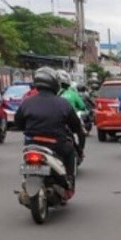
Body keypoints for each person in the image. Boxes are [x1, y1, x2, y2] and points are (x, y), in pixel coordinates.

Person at [15, 67, 86, 197]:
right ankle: (69, 182)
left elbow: (18, 124)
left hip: (32, 143)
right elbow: (76, 127)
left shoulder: (26, 102)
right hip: (56, 144)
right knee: (71, 151)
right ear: (54, 84)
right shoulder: (63, 104)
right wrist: (80, 145)